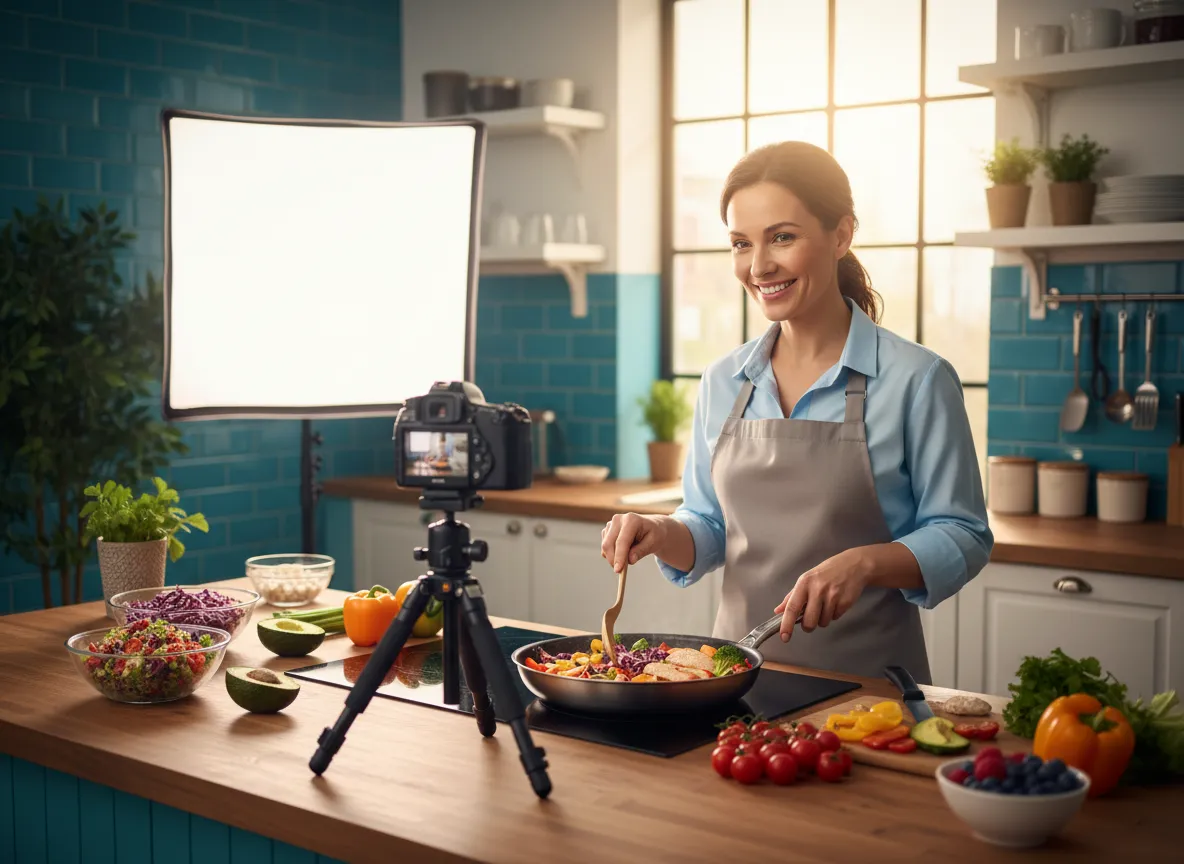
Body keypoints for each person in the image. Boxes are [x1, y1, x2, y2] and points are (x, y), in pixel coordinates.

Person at [600, 141, 993, 684]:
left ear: (841, 235)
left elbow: (963, 532)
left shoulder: (917, 379)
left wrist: (865, 563)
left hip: (868, 690)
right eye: (742, 243)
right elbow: (711, 524)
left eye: (782, 237)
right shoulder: (723, 381)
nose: (759, 266)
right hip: (733, 681)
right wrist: (660, 531)